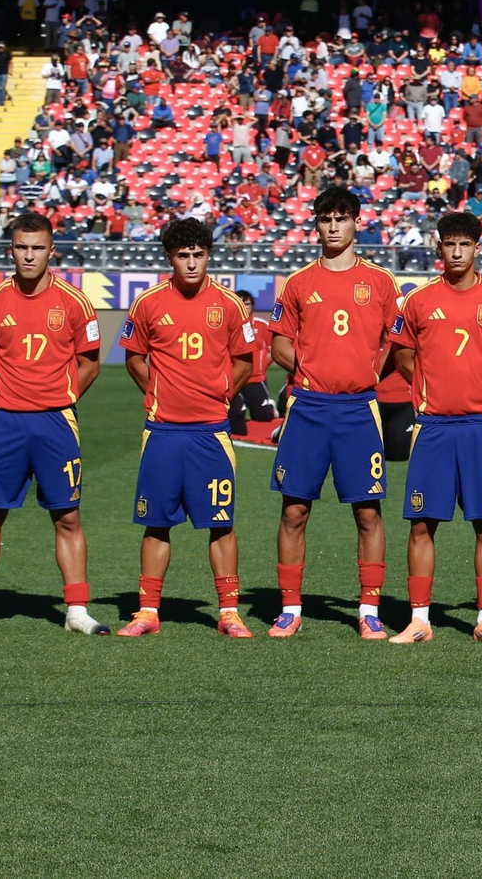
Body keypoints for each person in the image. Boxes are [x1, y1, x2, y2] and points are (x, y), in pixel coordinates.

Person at [0, 213, 108, 636]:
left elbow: (90, 364)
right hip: (3, 422)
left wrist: (60, 399)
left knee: (68, 517)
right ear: (11, 249)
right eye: (22, 247)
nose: (29, 255)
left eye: (38, 247)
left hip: (56, 423)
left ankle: (76, 611)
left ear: (51, 250)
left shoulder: (75, 302)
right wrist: (8, 397)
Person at [266, 187, 403, 640]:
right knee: (294, 511)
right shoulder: (298, 282)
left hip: (358, 409)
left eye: (341, 218)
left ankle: (368, 608)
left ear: (356, 223)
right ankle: (289, 607)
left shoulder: (382, 282)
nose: (333, 226)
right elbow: (280, 344)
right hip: (306, 407)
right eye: (326, 218)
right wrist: (307, 369)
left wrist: (369, 372)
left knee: (367, 512)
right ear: (317, 224)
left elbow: (396, 341)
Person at [384, 212, 482, 645]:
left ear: (478, 248)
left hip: (481, 426)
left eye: (465, 245)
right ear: (439, 247)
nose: (457, 252)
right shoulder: (418, 300)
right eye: (450, 244)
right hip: (431, 427)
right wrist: (429, 387)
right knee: (423, 523)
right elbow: (402, 354)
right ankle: (419, 619)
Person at [115, 219, 255, 639]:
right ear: (169, 257)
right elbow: (134, 358)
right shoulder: (148, 303)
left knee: (221, 521)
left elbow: (244, 360)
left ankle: (229, 611)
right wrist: (157, 392)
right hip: (162, 431)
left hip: (210, 432)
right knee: (156, 521)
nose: (191, 264)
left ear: (208, 254)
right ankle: (147, 611)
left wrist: (220, 394)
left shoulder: (229, 303)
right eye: (183, 255)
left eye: (198, 254)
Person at [227, 289, 278, 436]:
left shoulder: (262, 325)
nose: (244, 306)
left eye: (247, 304)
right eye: (241, 303)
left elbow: (272, 351)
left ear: (253, 305)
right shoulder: (227, 326)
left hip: (255, 379)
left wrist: (260, 367)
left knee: (263, 416)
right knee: (237, 416)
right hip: (234, 377)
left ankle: (269, 407)